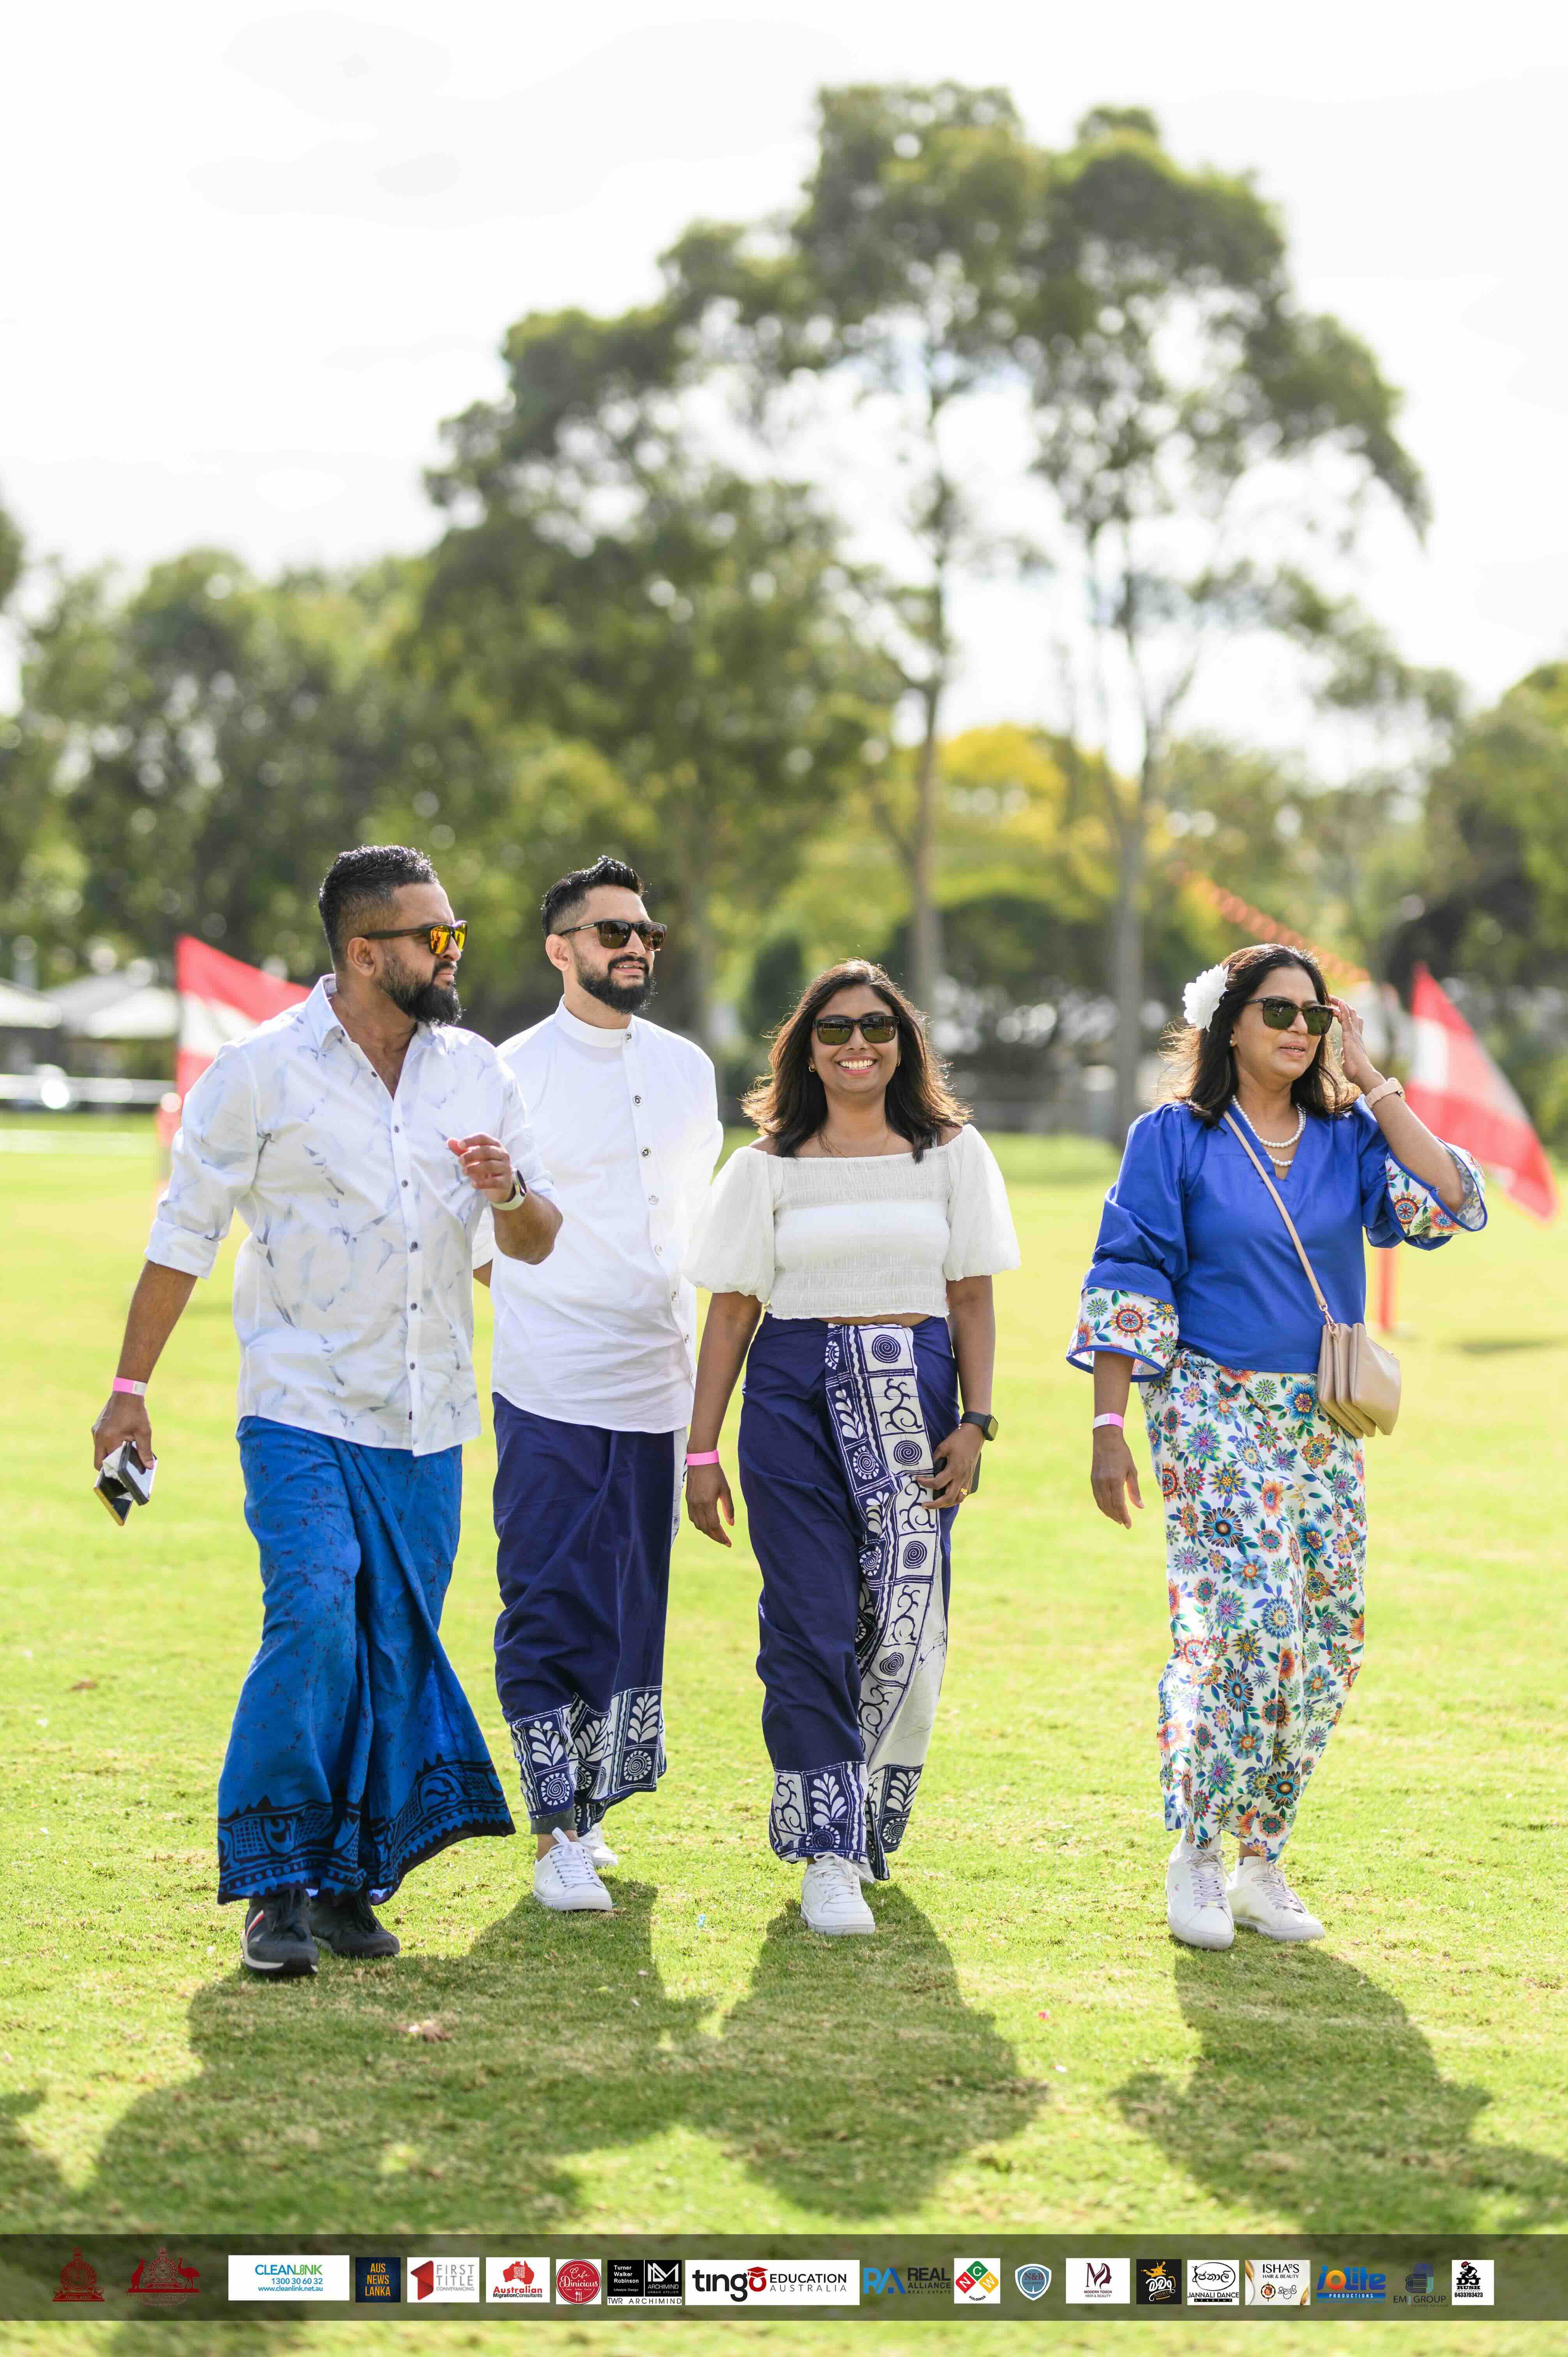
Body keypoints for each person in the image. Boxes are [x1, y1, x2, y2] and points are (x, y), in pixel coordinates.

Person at [90, 846, 562, 1980]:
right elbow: (185, 1233)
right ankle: (274, 1889)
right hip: (299, 1403)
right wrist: (128, 1390)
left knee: (396, 1644)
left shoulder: (478, 1074)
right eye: (433, 937)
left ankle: (352, 1884)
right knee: (311, 1617)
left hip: (429, 1412)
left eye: (454, 934)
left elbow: (537, 1238)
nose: (454, 954)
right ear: (365, 953)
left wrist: (506, 1191)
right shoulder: (260, 1073)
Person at [1069, 944, 1487, 1951]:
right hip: (1210, 1406)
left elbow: (1457, 1201)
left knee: (1329, 1643)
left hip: (1321, 1424)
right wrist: (1109, 1426)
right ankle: (1198, 1854)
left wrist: (1377, 1084)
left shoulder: (1349, 1138)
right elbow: (1129, 1276)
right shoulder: (1172, 1138)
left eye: (1315, 1015)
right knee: (1254, 1626)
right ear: (1229, 1025)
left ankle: (1264, 1859)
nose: (1301, 1032)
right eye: (1279, 1014)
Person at [682, 961, 1019, 1936]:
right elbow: (732, 1312)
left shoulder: (951, 1157)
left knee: (907, 1629)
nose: (856, 1046)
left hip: (917, 1399)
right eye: (834, 1031)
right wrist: (701, 1453)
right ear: (807, 1050)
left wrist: (977, 1419)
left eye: (876, 1028)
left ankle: (869, 1818)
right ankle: (825, 1848)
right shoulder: (763, 1169)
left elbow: (970, 1296)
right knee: (809, 1621)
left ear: (903, 1042)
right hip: (790, 1397)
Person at [474, 855, 722, 1915]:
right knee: (546, 1603)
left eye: (645, 934)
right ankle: (554, 1832)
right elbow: (475, 1236)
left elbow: (695, 1218)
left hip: (657, 1380)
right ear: (559, 949)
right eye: (610, 931)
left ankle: (592, 1809)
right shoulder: (505, 1069)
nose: (632, 947)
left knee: (628, 1611)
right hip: (549, 1379)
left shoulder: (687, 1070)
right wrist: (547, 1304)